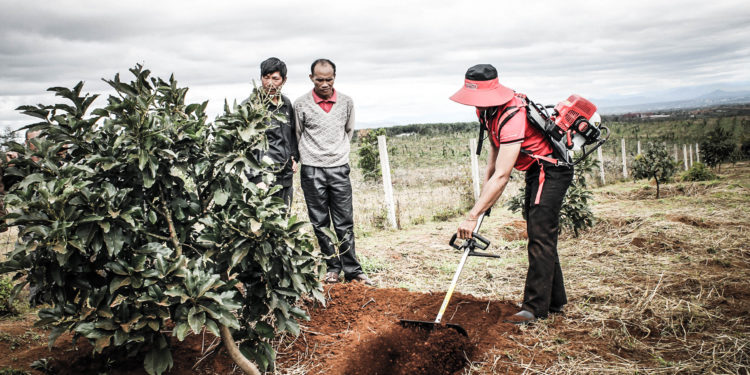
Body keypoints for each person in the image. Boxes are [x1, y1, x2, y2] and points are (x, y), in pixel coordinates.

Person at [451, 64, 573, 325]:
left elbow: (504, 175)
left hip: (551, 171)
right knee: (540, 233)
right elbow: (493, 161)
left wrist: (473, 216)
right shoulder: (485, 112)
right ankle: (555, 301)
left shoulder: (512, 113)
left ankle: (534, 309)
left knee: (540, 234)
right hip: (534, 170)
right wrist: (484, 200)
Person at [294, 59, 373, 286]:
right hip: (311, 169)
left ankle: (353, 270)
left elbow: (348, 131)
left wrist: (336, 154)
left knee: (344, 221)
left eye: (329, 79)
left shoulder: (347, 102)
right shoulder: (300, 104)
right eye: (320, 80)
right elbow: (298, 134)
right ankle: (332, 267)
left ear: (334, 77)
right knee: (320, 222)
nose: (325, 84)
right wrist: (312, 156)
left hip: (339, 168)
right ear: (311, 78)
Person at [243, 57, 299, 209]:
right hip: (263, 178)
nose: (270, 83)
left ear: (284, 80)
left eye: (275, 78)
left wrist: (294, 156)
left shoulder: (286, 104)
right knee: (263, 224)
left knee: (283, 222)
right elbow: (242, 148)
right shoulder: (250, 106)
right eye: (266, 78)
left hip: (285, 176)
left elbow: (292, 133)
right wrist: (256, 179)